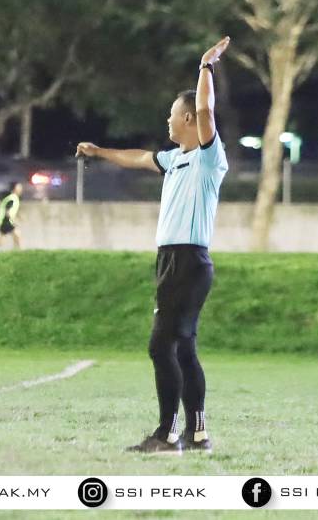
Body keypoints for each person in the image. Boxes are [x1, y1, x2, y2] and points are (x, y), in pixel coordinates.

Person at [76, 36, 230, 454]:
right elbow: (140, 157)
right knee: (183, 348)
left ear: (187, 119)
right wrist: (99, 151)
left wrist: (205, 66)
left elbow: (206, 109)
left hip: (187, 261)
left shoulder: (208, 157)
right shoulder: (175, 159)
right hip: (173, 261)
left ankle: (167, 434)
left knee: (161, 347)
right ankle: (197, 434)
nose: (168, 120)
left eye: (172, 114)